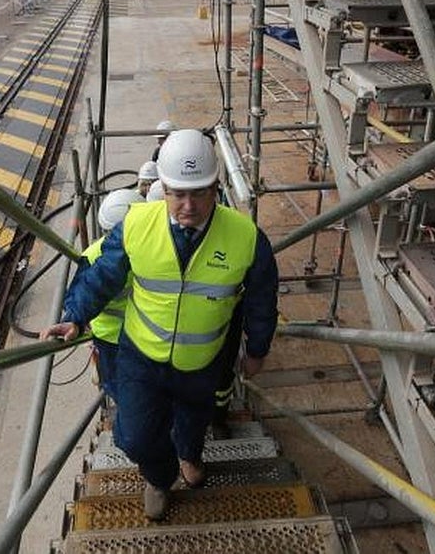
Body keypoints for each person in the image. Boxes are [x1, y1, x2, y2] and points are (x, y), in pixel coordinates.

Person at [42, 129, 279, 520]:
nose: (187, 205)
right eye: (177, 193)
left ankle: (189, 454)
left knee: (192, 420)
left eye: (199, 192)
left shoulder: (246, 238)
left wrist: (257, 350)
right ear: (163, 188)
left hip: (201, 361)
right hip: (141, 358)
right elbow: (102, 275)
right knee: (132, 437)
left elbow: (261, 300)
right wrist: (75, 316)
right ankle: (159, 475)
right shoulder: (137, 225)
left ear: (216, 187)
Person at [80, 188, 145, 402]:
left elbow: (82, 297)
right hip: (146, 334)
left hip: (108, 337)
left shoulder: (91, 255)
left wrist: (78, 321)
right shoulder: (150, 253)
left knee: (116, 382)